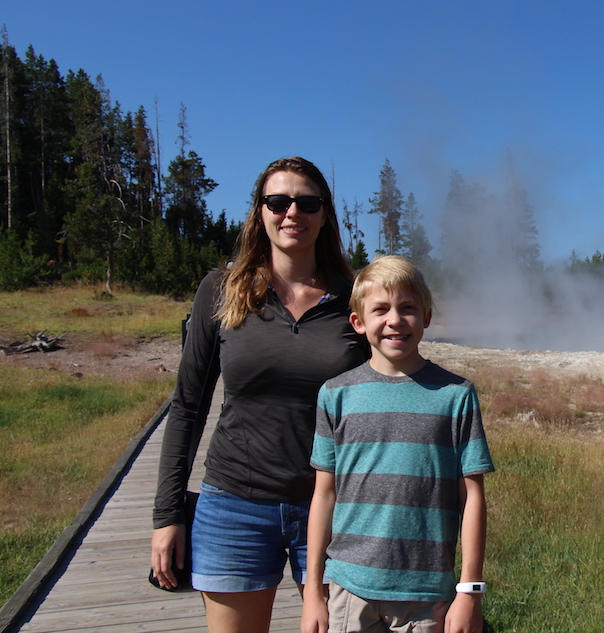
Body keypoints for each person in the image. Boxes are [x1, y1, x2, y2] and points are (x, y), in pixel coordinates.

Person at [150, 157, 370, 633]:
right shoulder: (221, 290)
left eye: (307, 203)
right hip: (234, 505)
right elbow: (187, 406)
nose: (293, 212)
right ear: (259, 212)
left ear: (325, 214)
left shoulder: (354, 298)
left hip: (333, 506)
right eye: (278, 201)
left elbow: (388, 396)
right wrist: (167, 515)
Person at [301, 255, 494, 633]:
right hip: (350, 589)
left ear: (426, 317)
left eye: (407, 308)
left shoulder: (456, 395)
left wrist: (469, 591)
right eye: (380, 309)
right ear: (358, 322)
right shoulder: (335, 395)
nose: (395, 320)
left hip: (427, 593)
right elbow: (324, 495)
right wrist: (313, 591)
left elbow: (472, 497)